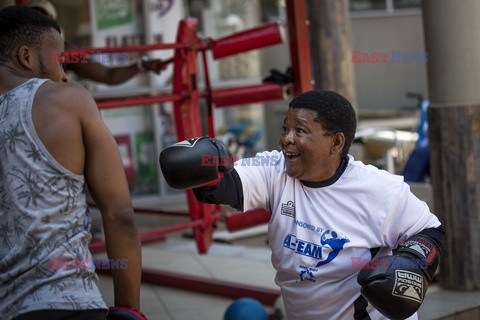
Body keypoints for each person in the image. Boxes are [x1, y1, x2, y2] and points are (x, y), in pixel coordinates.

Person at [159, 90, 445, 320]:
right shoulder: (274, 169)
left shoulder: (379, 191)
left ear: (336, 142)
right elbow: (226, 186)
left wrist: (408, 265)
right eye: (285, 128)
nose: (286, 139)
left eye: (300, 130)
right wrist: (206, 170)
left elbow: (430, 231)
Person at [0, 6, 146, 320]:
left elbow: (108, 73)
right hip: (68, 301)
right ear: (26, 57)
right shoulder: (68, 99)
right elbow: (119, 214)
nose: (65, 73)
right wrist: (128, 313)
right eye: (58, 59)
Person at [28, 0, 167, 85]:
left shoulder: (65, 51)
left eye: (43, 16)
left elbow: (108, 75)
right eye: (32, 14)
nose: (36, 21)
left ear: (53, 25)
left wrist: (141, 65)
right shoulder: (10, 41)